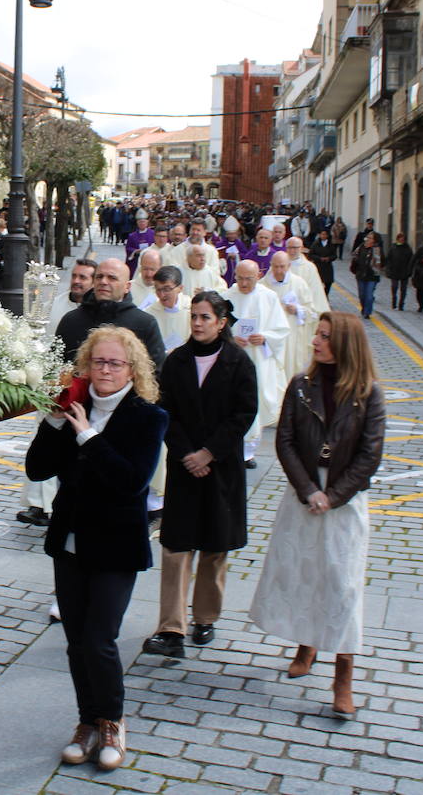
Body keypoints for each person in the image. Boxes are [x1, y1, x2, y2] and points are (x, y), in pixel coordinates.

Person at [25, 327, 167, 772]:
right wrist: (54, 421)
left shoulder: (148, 416)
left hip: (115, 544)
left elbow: (131, 483)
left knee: (99, 640)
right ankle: (86, 722)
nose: (105, 371)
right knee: (74, 642)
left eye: (115, 363)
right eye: (97, 362)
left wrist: (88, 437)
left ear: (132, 369)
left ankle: (113, 723)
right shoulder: (74, 409)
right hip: (70, 541)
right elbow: (37, 468)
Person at [249, 311, 385, 719]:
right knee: (303, 573)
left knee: (342, 585)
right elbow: (286, 440)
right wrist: (308, 489)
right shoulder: (301, 385)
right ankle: (305, 645)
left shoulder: (368, 393)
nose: (315, 342)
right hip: (303, 494)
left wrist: (334, 495)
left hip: (344, 502)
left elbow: (370, 455)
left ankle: (343, 677)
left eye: (324, 337)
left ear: (344, 343)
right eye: (317, 335)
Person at [141, 293, 257, 659]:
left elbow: (244, 414)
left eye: (205, 317)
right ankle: (171, 626)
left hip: (222, 469)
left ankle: (205, 617)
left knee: (214, 546)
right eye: (194, 316)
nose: (197, 323)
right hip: (184, 465)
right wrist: (187, 452)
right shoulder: (176, 361)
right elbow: (164, 409)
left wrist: (210, 452)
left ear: (222, 322)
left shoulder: (238, 362)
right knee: (176, 546)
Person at [18, 259, 99, 528]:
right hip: (54, 384)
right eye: (74, 276)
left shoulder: (96, 311)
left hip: (85, 391)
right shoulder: (54, 303)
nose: (77, 281)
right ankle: (37, 505)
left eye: (84, 277)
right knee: (43, 439)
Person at [221, 260, 289, 465]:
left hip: (258, 358)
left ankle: (248, 451)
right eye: (239, 278)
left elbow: (281, 329)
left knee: (254, 401)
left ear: (258, 276)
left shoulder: (268, 297)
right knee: (230, 401)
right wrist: (230, 339)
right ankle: (230, 444)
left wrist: (265, 337)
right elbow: (217, 327)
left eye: (248, 279)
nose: (243, 283)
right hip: (231, 359)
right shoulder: (225, 297)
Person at [56, 258, 166, 373]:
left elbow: (156, 373)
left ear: (127, 287)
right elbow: (55, 368)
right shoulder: (71, 320)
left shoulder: (145, 324)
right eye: (99, 277)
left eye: (112, 278)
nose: (103, 282)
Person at [262, 251, 318, 380]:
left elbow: (312, 312)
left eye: (282, 266)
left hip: (292, 336)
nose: (279, 270)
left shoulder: (299, 284)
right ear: (271, 265)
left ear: (289, 266)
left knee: (290, 369)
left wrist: (298, 309)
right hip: (271, 336)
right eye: (275, 266)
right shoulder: (263, 285)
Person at [145, 266, 191, 353]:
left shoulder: (191, 309)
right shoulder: (149, 314)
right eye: (158, 289)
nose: (162, 295)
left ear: (180, 288)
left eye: (166, 289)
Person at [351, 231, 384, 319]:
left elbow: (383, 261)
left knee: (369, 295)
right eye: (367, 237)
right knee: (362, 295)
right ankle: (364, 308)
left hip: (372, 276)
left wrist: (376, 265)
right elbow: (354, 256)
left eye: (370, 238)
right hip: (361, 274)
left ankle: (367, 312)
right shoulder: (361, 247)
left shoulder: (377, 249)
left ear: (374, 240)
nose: (367, 239)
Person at [384, 233, 414, 311]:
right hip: (394, 271)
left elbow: (411, 260)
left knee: (403, 289)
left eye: (403, 238)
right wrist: (388, 269)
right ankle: (394, 302)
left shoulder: (408, 248)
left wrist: (409, 270)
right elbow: (389, 258)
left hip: (405, 272)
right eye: (400, 238)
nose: (401, 239)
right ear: (397, 239)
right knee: (394, 287)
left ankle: (401, 304)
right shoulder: (393, 247)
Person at [124, 210, 155, 275]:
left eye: (143, 222)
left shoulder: (153, 233)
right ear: (137, 223)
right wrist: (135, 251)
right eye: (140, 222)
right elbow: (128, 248)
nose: (142, 224)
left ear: (147, 222)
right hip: (136, 260)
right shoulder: (132, 235)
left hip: (150, 259)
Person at [309, 228, 337, 294]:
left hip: (327, 267)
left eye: (325, 234)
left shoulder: (331, 244)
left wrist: (329, 258)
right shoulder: (316, 244)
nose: (323, 236)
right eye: (322, 234)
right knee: (317, 284)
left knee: (327, 285)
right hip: (318, 266)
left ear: (327, 235)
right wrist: (319, 258)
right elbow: (311, 254)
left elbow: (334, 255)